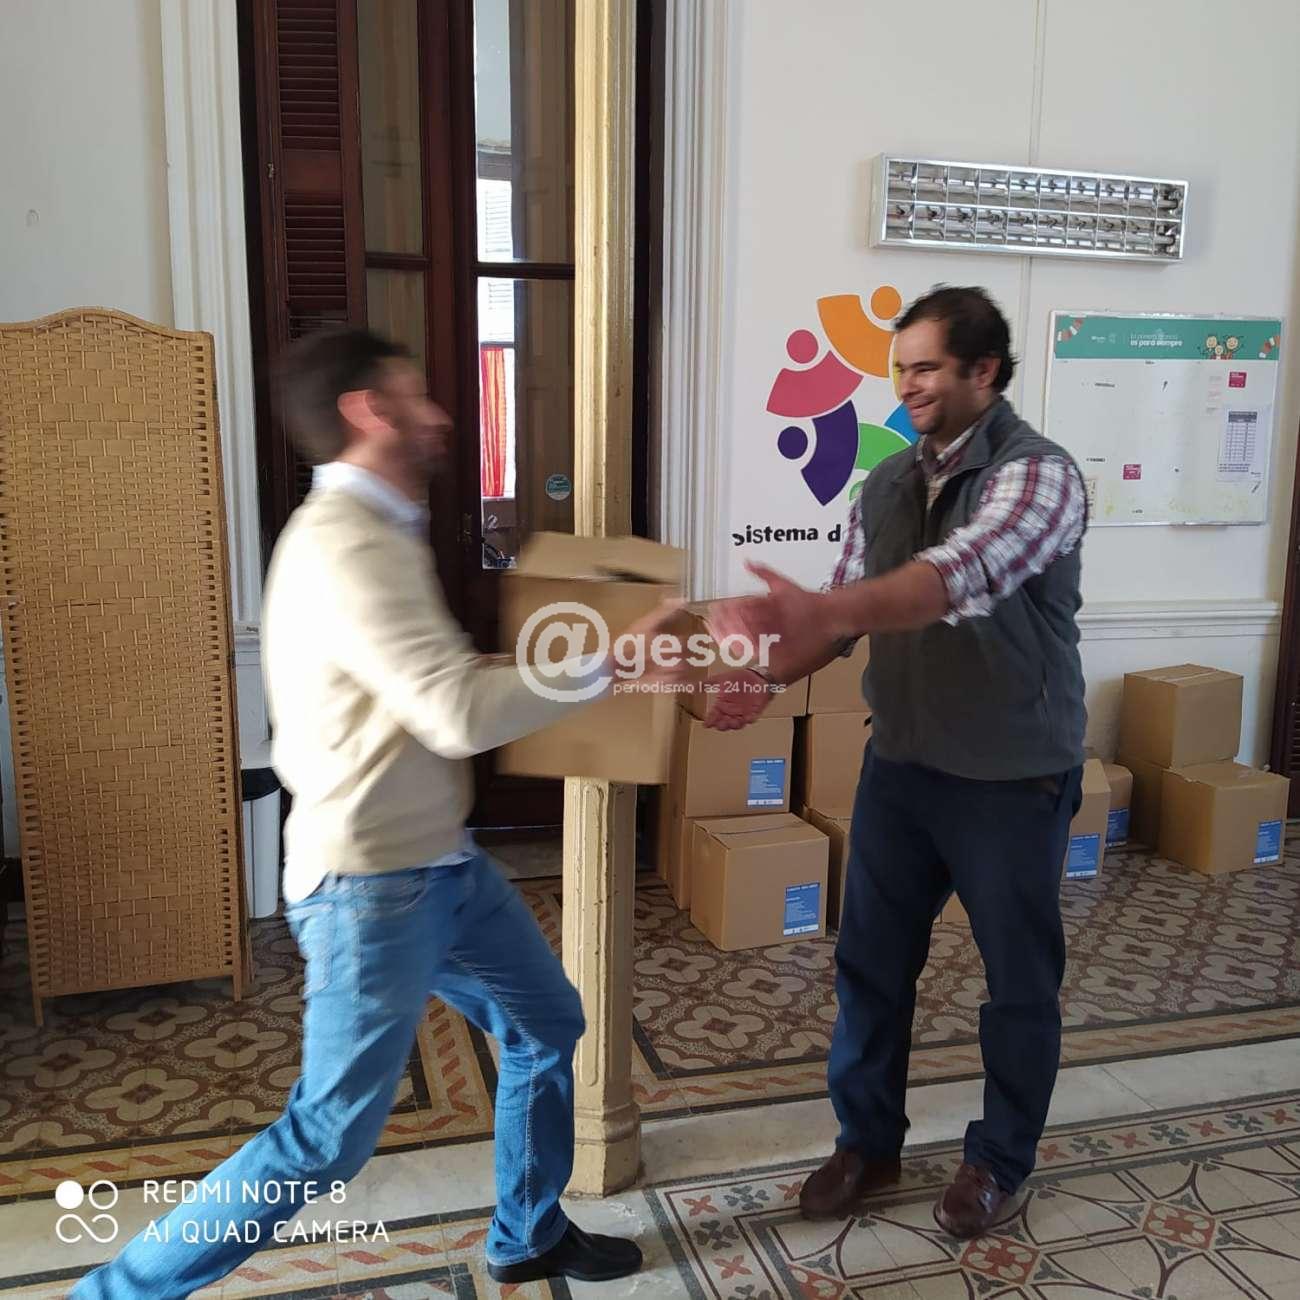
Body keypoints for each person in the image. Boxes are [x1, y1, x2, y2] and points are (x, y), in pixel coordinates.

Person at [74, 327, 687, 1297]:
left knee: (544, 1023)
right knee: (323, 1139)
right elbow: (454, 712)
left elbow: (422, 685)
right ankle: (111, 1294)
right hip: (370, 885)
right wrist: (612, 661)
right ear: (368, 410)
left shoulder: (380, 532)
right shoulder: (347, 544)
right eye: (416, 393)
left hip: (440, 864)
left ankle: (527, 1231)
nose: (440, 415)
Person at [706, 286, 1088, 1239]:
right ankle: (867, 1143)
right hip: (905, 768)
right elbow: (838, 612)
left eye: (926, 368)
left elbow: (957, 576)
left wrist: (823, 613)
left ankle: (1000, 1160)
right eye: (901, 368)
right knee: (870, 966)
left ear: (983, 371)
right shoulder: (882, 484)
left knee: (1018, 985)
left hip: (1011, 778)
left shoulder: (1037, 476)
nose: (908, 385)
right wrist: (763, 675)